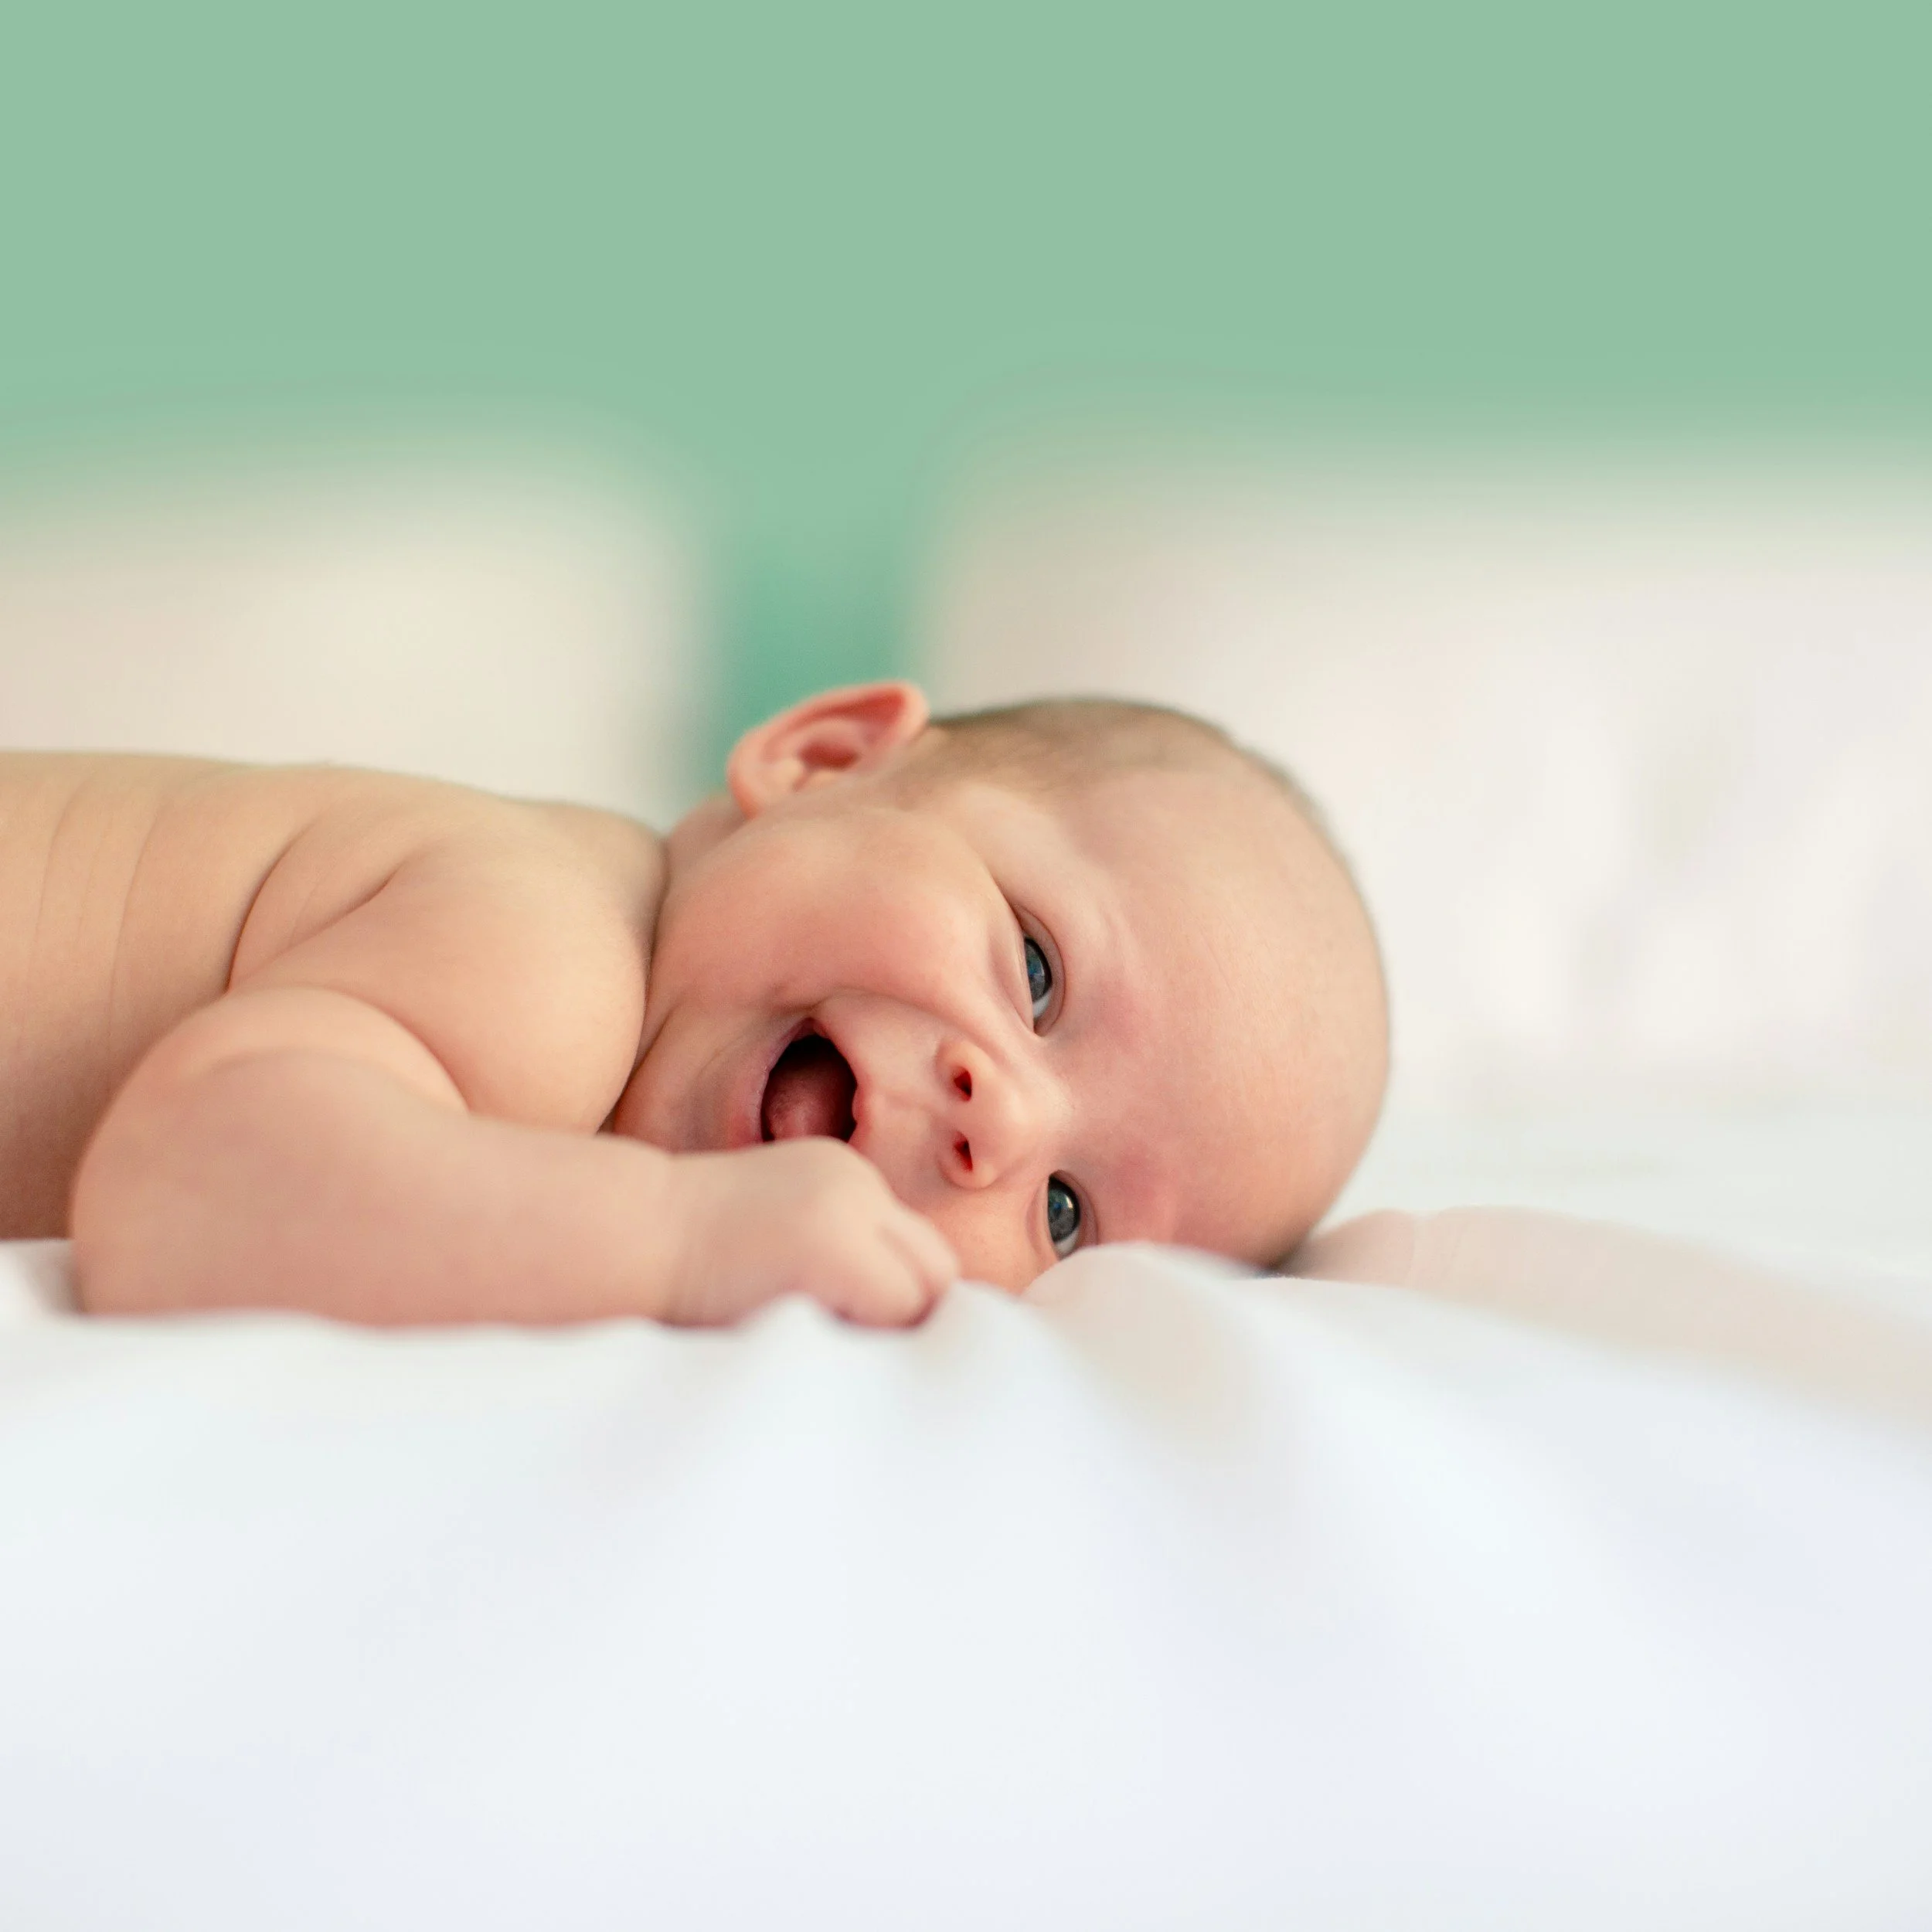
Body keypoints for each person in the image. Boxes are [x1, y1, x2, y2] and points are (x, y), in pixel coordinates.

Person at [0, 682, 1388, 1327]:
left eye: (1066, 1217)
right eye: (1034, 969)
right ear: (822, 758)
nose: (1000, 1126)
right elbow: (184, 1190)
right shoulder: (552, 952)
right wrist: (672, 1242)